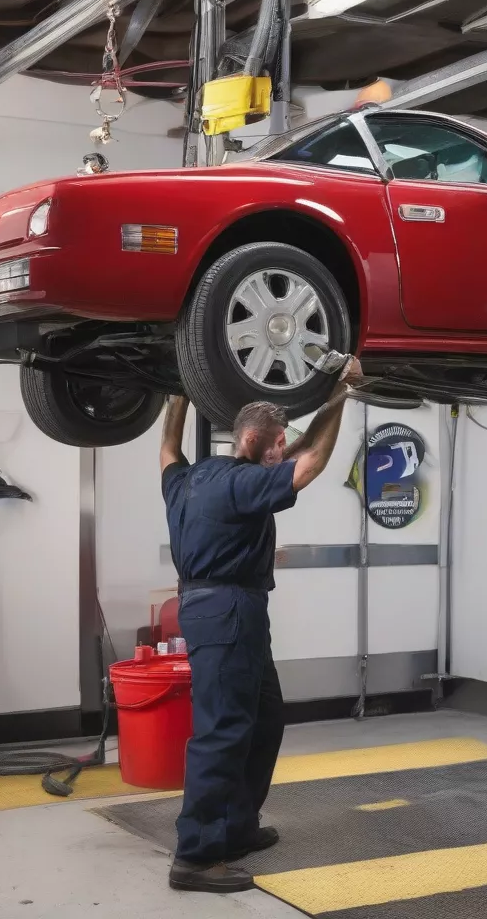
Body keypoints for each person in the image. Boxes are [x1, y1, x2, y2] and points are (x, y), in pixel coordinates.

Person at [160, 357, 363, 894]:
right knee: (223, 730)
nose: (283, 451)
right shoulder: (242, 485)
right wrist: (341, 394)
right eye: (277, 443)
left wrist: (178, 395)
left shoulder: (192, 479)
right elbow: (313, 460)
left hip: (221, 611)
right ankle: (196, 857)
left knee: (265, 717)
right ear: (252, 439)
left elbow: (166, 451)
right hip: (229, 610)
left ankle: (235, 826)